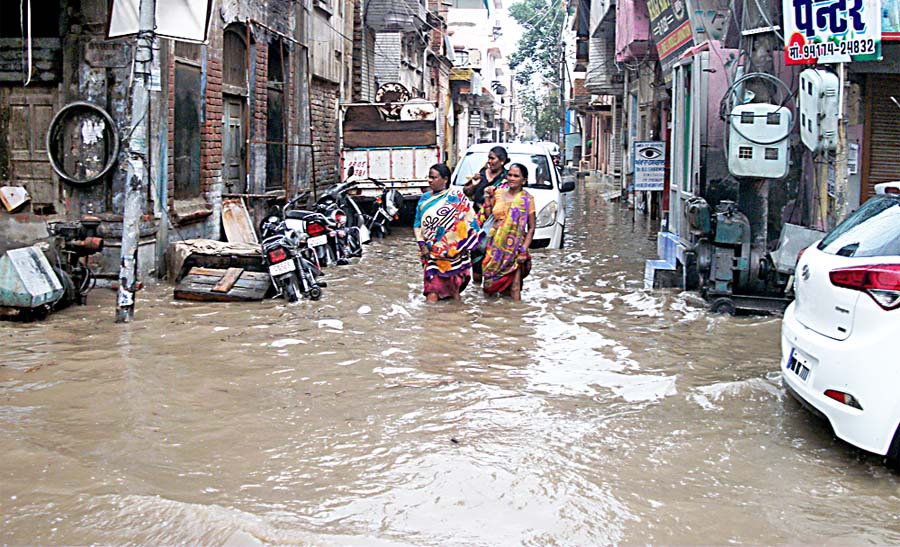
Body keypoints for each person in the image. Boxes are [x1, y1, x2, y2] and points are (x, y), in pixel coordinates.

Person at [413, 163, 482, 302]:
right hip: (431, 253)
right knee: (432, 289)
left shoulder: (456, 197)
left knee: (453, 290)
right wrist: (422, 245)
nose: (430, 180)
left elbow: (469, 222)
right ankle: (431, 322)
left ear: (445, 179)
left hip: (453, 255)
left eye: (434, 177)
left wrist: (462, 246)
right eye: (429, 177)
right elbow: (417, 224)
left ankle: (454, 321)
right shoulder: (424, 198)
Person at [480, 163, 536, 301]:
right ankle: (488, 316)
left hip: (515, 248)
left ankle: (515, 316)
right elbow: (488, 216)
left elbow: (532, 228)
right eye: (509, 175)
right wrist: (487, 198)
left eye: (516, 176)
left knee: (515, 286)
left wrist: (523, 250)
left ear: (524, 180)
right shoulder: (498, 193)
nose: (511, 178)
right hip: (494, 246)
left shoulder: (527, 199)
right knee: (489, 284)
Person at [463, 145, 509, 283]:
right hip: (478, 223)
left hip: (497, 225)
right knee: (476, 258)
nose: (489, 161)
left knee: (493, 259)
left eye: (492, 158)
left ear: (502, 161)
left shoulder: (507, 178)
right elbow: (467, 192)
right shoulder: (481, 174)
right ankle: (477, 293)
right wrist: (474, 184)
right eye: (488, 158)